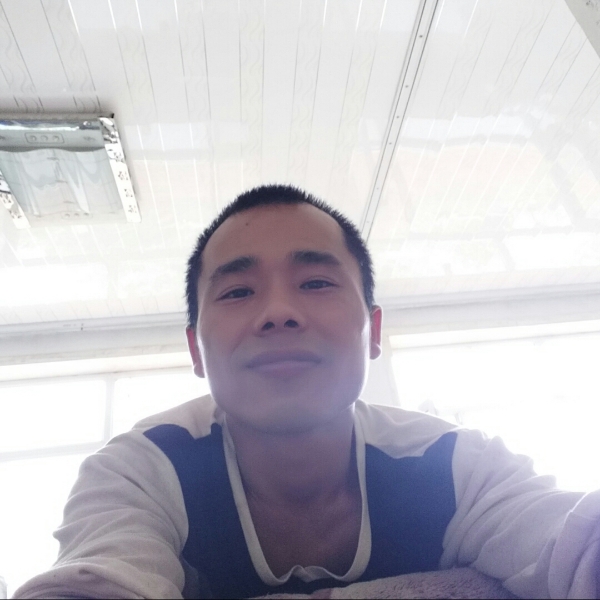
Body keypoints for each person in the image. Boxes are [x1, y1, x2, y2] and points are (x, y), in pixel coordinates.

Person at [14, 185, 600, 599]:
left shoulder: (456, 466)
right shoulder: (142, 470)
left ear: (373, 331)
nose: (278, 312)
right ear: (195, 349)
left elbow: (570, 543)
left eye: (316, 282)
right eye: (237, 292)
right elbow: (94, 581)